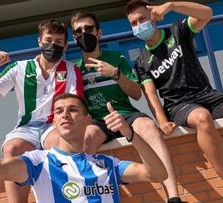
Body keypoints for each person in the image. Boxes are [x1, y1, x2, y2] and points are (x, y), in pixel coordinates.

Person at [0, 93, 168, 203]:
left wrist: (131, 135)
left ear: (88, 120)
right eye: (58, 111)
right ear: (53, 122)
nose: (65, 115)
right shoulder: (39, 162)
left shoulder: (107, 164)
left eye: (73, 110)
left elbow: (157, 174)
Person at [125, 0, 223, 202]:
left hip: (207, 95)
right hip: (178, 106)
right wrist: (162, 120)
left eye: (142, 19)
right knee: (202, 117)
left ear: (152, 16)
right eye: (133, 23)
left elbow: (207, 13)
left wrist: (171, 5)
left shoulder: (177, 31)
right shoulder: (141, 61)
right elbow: (151, 94)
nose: (138, 26)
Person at [70, 11, 184, 203]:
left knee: (149, 128)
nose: (84, 33)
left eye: (88, 29)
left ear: (99, 33)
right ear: (74, 38)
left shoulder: (116, 58)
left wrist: (115, 74)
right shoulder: (75, 69)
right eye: (78, 31)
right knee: (85, 140)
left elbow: (136, 94)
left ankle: (174, 198)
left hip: (126, 114)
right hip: (99, 121)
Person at [0, 19, 83, 202]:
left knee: (61, 143)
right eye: (48, 40)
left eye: (58, 42)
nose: (53, 45)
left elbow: (77, 103)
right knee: (12, 149)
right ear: (39, 41)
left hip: (54, 126)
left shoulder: (71, 69)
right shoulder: (19, 68)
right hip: (26, 128)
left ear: (66, 45)